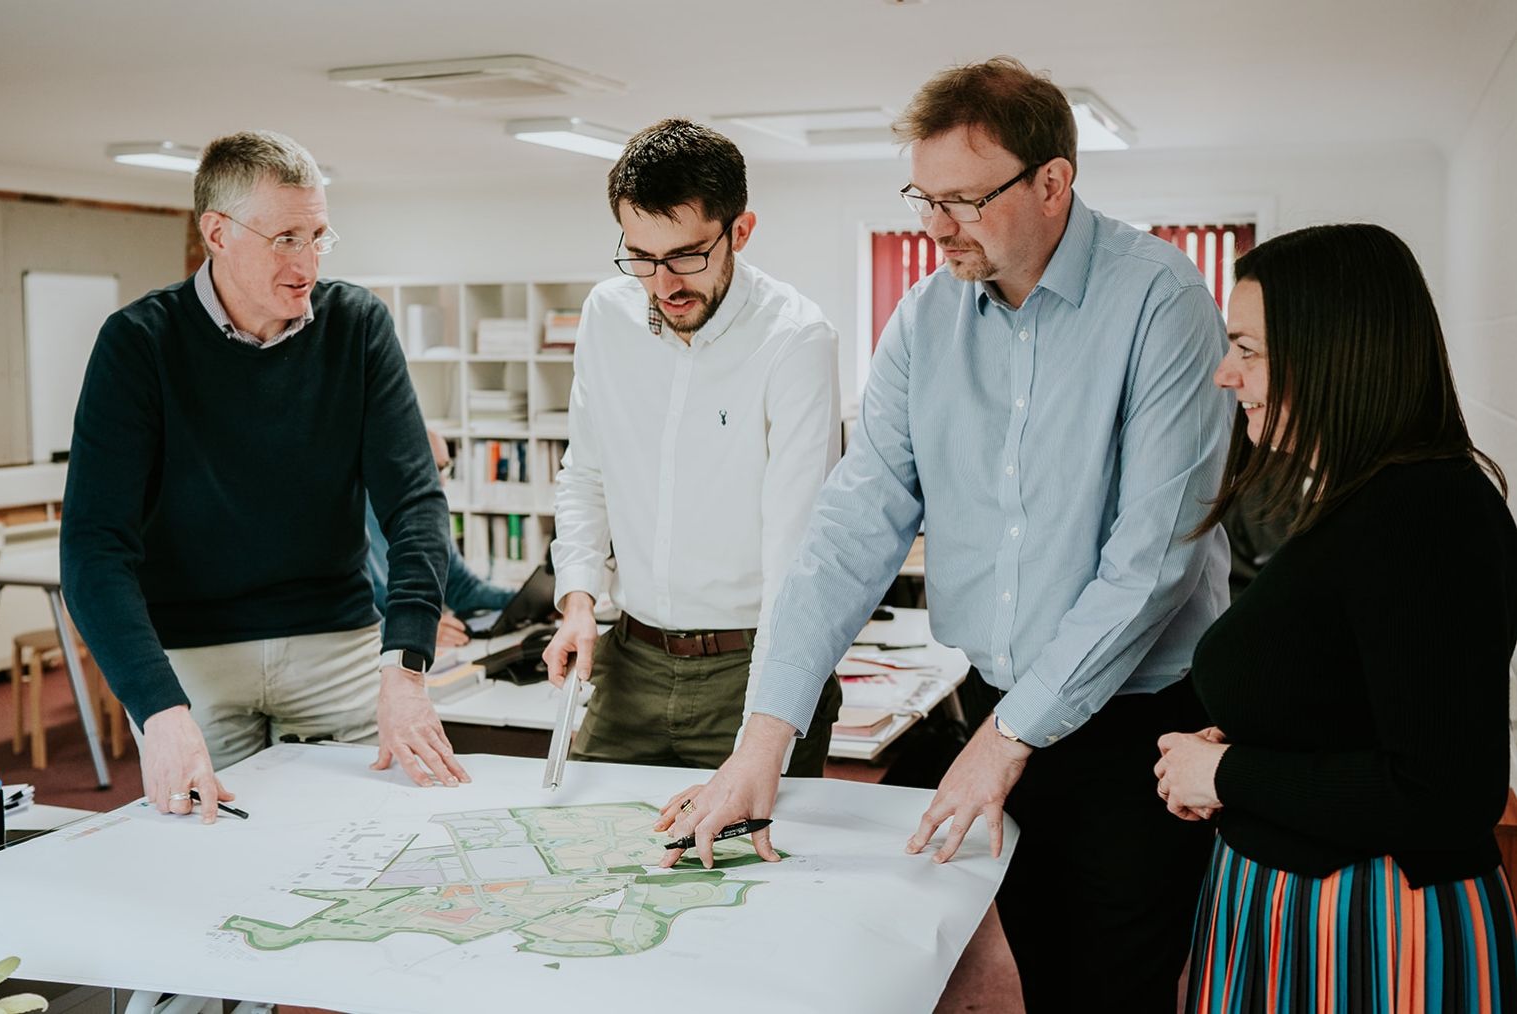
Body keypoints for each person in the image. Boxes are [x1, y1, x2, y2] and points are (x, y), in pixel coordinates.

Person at [659, 58, 1233, 1011]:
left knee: (1120, 983)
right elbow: (852, 527)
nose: (936, 226)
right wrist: (763, 740)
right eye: (924, 198)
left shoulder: (1161, 300)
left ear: (1053, 183)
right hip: (1002, 702)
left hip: (1139, 725)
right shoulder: (925, 319)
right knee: (1046, 967)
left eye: (964, 200)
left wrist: (1007, 741)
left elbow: (1152, 566)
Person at [1154, 223, 1517, 1010]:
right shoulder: (1364, 500)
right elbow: (1354, 701)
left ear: (1333, 351)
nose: (1225, 374)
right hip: (1303, 902)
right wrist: (1243, 752)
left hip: (1370, 929)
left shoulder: (1426, 513)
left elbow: (1446, 792)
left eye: (1248, 350)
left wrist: (1226, 773)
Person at [61, 129, 468, 824]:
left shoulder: (357, 327)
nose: (307, 262)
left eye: (317, 236)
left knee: (383, 833)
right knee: (205, 849)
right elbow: (93, 547)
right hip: (191, 658)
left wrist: (405, 668)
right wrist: (158, 709)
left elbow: (414, 506)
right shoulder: (139, 344)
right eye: (285, 238)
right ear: (217, 233)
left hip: (335, 642)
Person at [540, 118, 844, 776]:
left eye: (685, 257)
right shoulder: (606, 316)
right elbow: (586, 474)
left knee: (752, 841)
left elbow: (795, 552)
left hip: (752, 663)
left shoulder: (795, 339)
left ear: (740, 231)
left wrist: (765, 719)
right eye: (641, 257)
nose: (662, 285)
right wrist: (579, 600)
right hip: (630, 663)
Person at [364, 426, 513, 649]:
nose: (442, 482)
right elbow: (345, 623)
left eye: (445, 469)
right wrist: (414, 629)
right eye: (435, 469)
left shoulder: (430, 516)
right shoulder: (355, 519)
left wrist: (524, 600)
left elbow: (462, 589)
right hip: (375, 656)